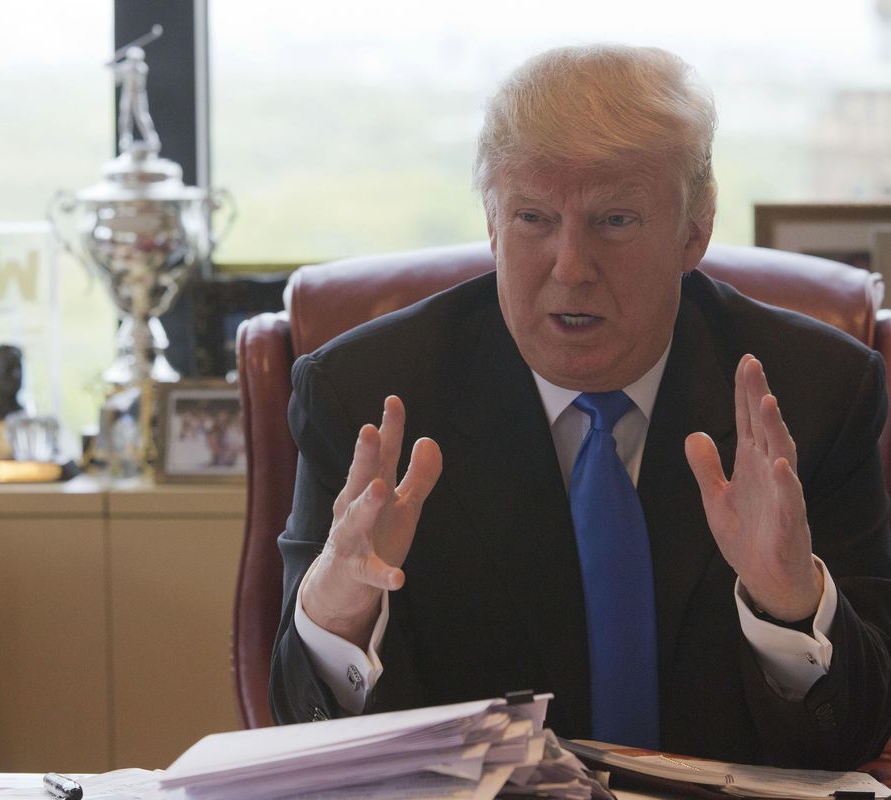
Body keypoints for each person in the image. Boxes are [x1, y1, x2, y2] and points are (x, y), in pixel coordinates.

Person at [269, 44, 891, 771]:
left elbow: (854, 735)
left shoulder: (816, 393)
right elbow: (296, 728)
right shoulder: (367, 394)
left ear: (694, 231)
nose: (570, 267)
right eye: (533, 218)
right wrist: (339, 616)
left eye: (615, 221)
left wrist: (790, 604)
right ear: (493, 225)